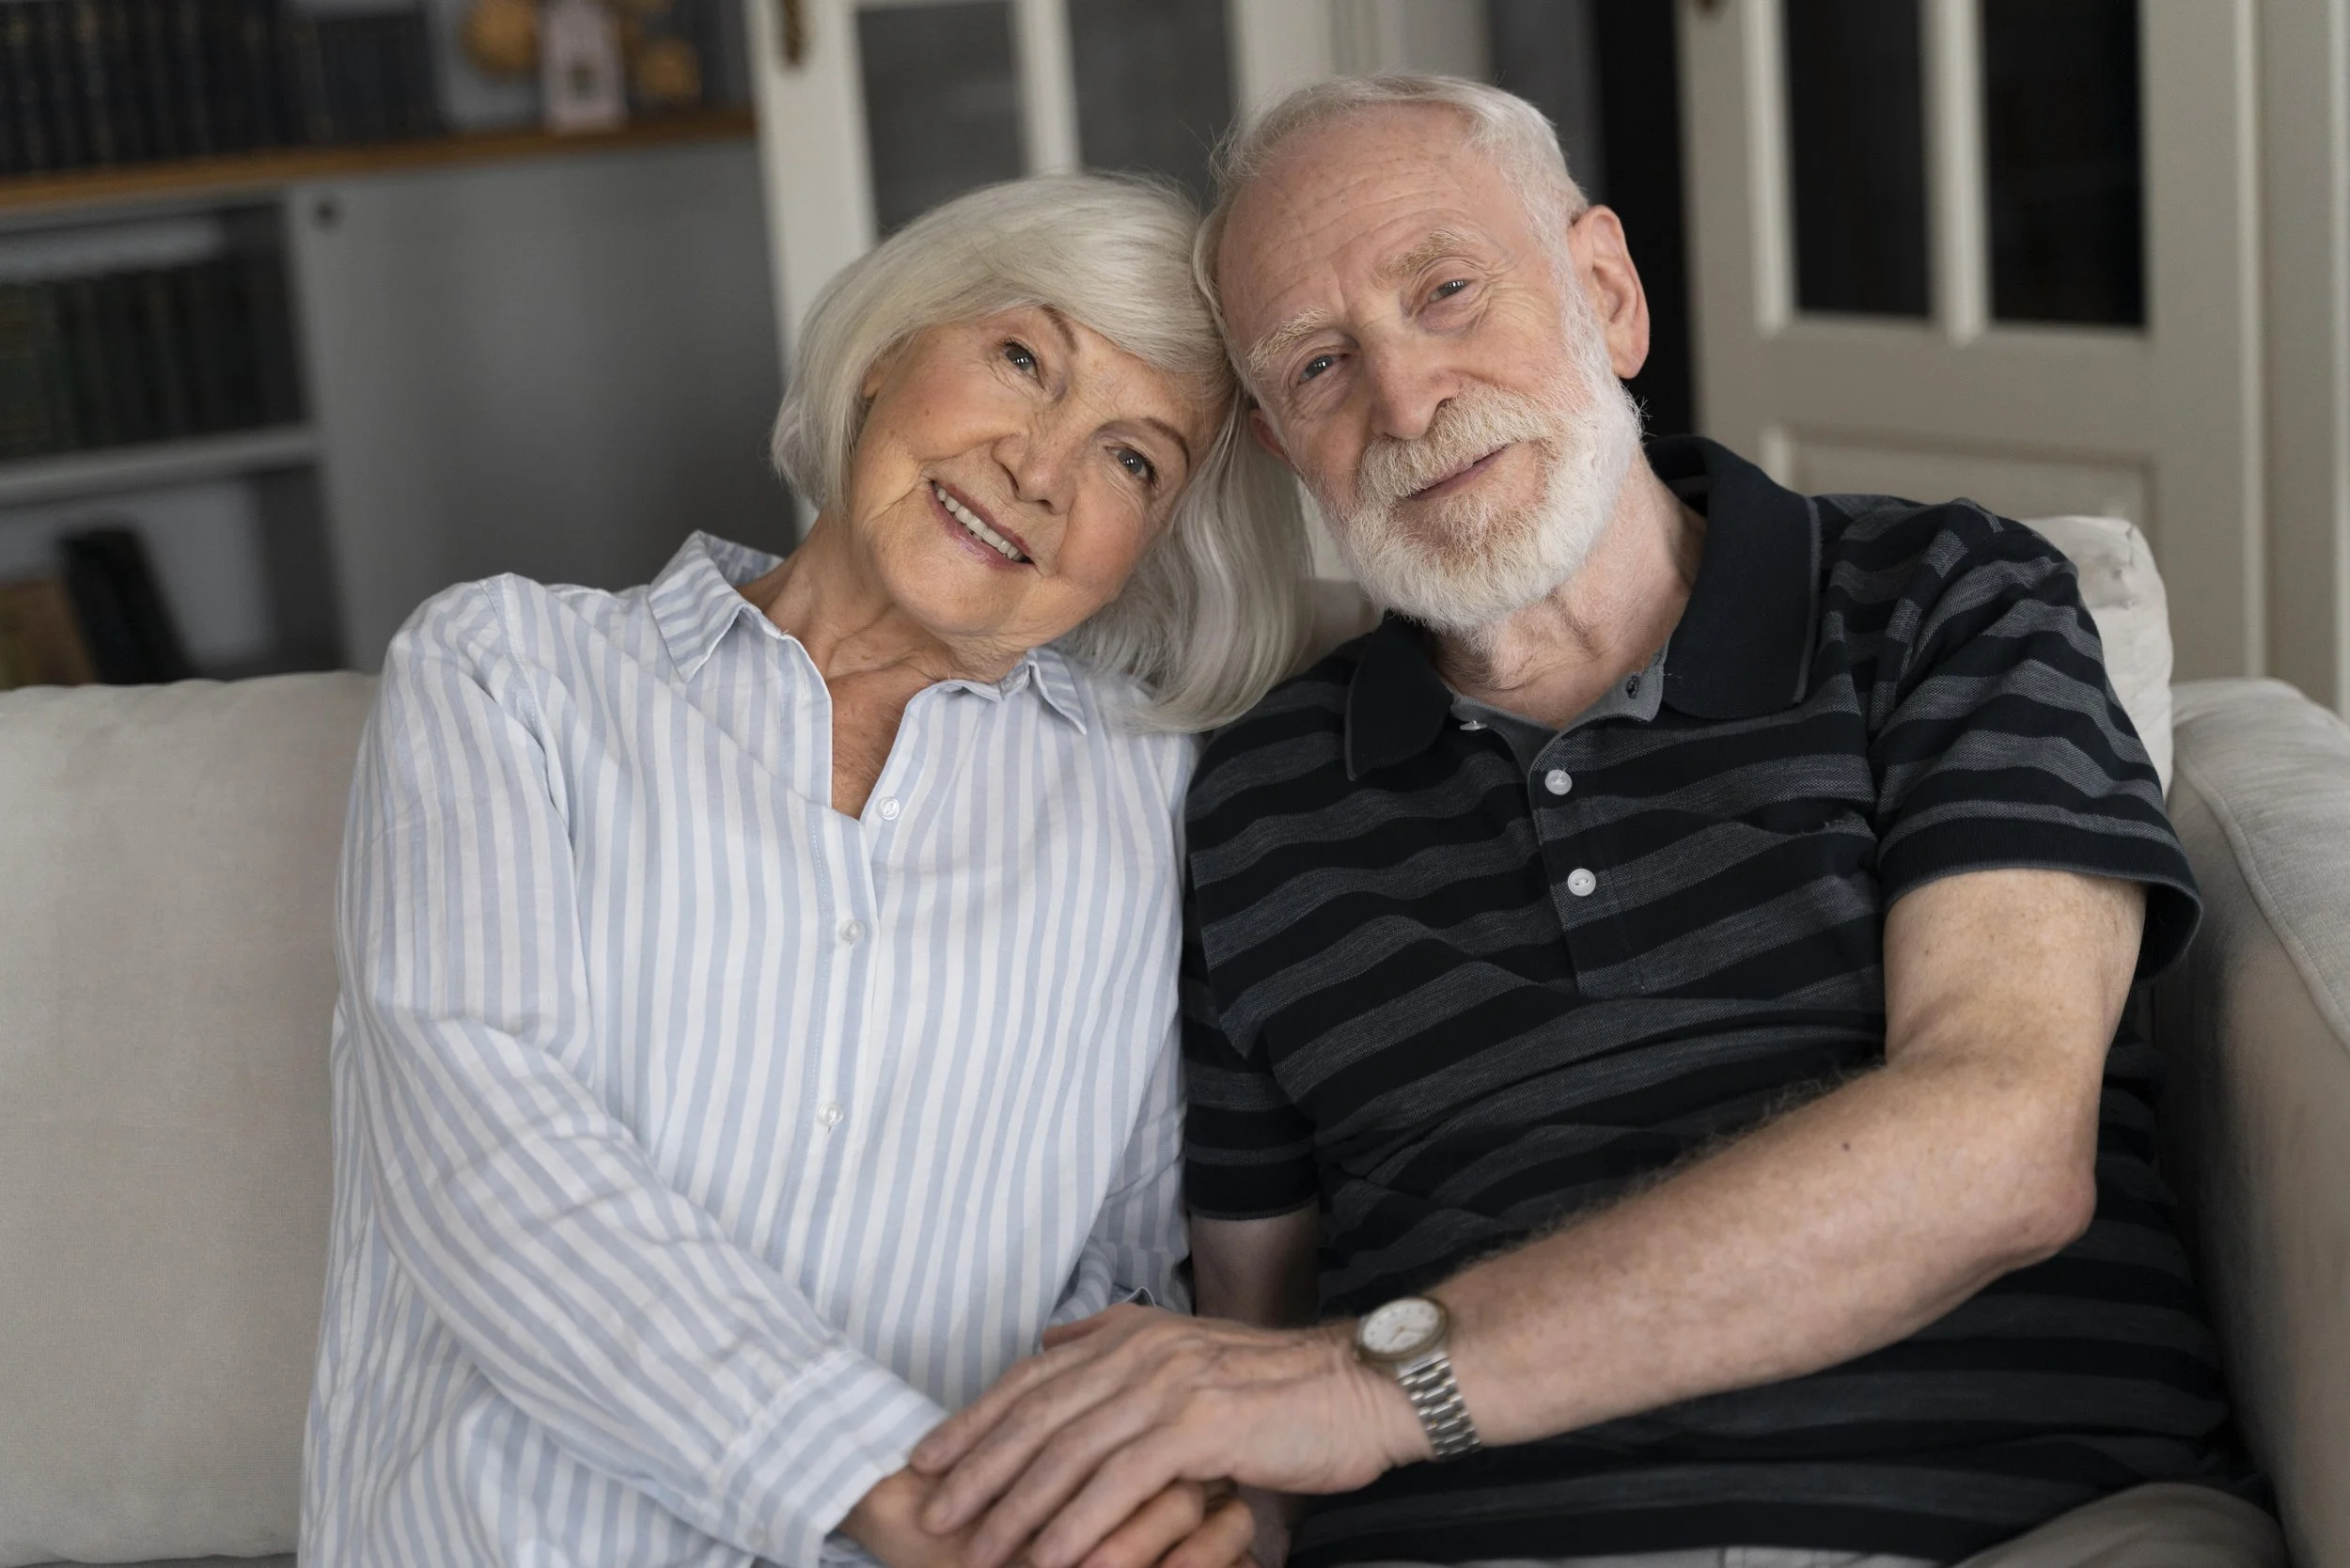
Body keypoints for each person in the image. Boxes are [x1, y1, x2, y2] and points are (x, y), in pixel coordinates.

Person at [901, 78, 2285, 1568]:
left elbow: (2000, 1147)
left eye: (1446, 291)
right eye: (1317, 365)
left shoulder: (1944, 602)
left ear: (1607, 295)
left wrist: (1373, 1387)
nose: (1407, 399)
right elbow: (1258, 1354)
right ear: (1278, 444)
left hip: (2021, 1530)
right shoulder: (1261, 799)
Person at [300, 172, 1312, 1568]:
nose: (1038, 469)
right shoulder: (507, 675)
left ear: (1146, 549)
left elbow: (1125, 1266)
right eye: (1023, 360)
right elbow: (484, 1141)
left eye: (1133, 459)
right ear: (890, 353)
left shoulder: (1145, 796)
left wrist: (1139, 1506)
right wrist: (898, 1497)